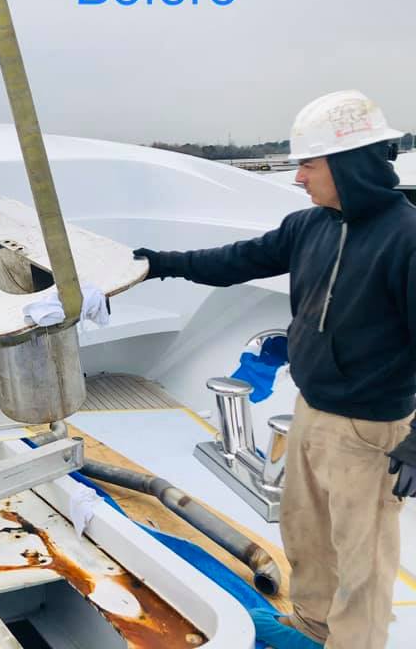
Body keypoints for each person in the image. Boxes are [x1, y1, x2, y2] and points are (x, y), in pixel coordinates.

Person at [133, 90, 416, 649]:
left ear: (349, 164)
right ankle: (312, 625)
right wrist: (157, 264)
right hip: (312, 410)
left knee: (363, 557)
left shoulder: (406, 239)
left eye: (307, 164)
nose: (298, 178)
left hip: (370, 430)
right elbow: (235, 260)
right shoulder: (309, 226)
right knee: (306, 534)